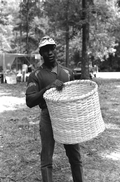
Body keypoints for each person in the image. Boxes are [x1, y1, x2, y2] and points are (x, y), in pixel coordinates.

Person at [25, 36, 84, 182]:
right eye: (45, 50)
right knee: (46, 158)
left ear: (55, 50)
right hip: (47, 116)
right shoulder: (36, 75)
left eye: (51, 48)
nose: (49, 52)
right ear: (41, 53)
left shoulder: (68, 73)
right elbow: (30, 100)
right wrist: (47, 88)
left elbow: (75, 96)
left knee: (75, 156)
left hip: (66, 116)